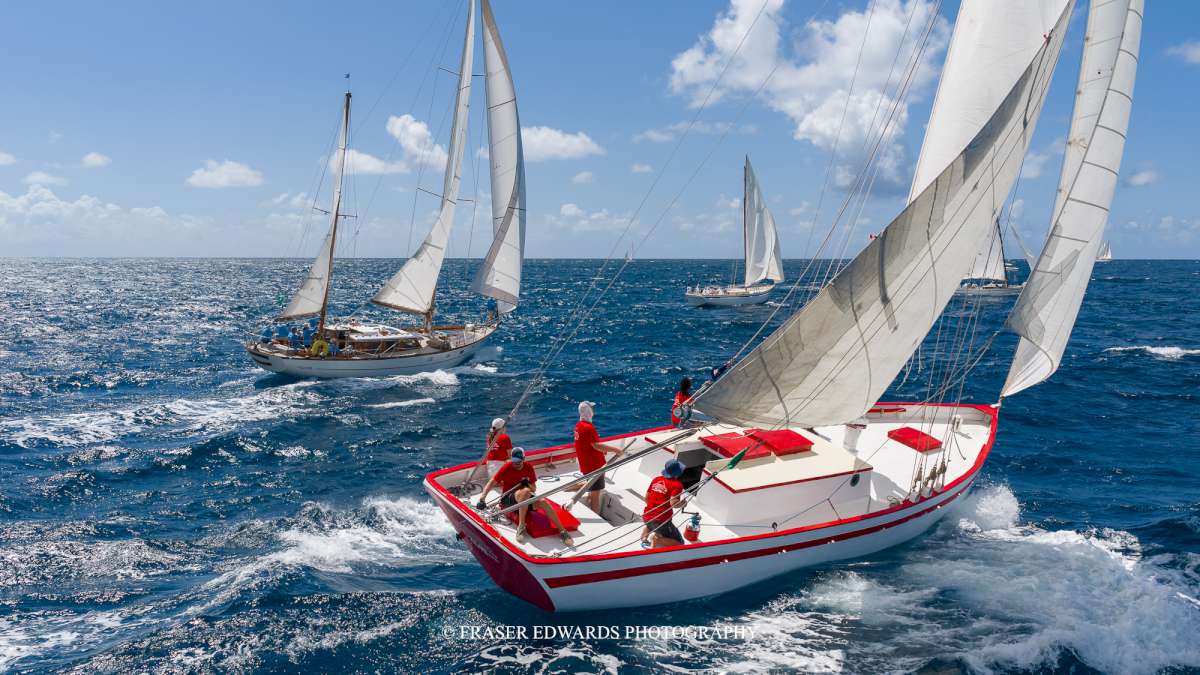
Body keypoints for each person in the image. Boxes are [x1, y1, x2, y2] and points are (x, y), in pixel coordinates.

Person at [476, 448, 573, 545]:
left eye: (519, 461)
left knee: (543, 502)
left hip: (524, 498)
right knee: (526, 491)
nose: (516, 464)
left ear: (524, 459)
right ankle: (521, 526)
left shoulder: (528, 467)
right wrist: (482, 498)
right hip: (508, 500)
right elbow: (492, 482)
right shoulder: (506, 467)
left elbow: (534, 489)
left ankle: (563, 531)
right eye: (514, 461)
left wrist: (528, 484)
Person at [574, 401, 624, 514]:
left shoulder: (579, 425)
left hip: (586, 464)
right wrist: (616, 450)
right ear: (588, 411)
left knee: (592, 487)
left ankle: (580, 489)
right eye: (592, 408)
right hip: (594, 466)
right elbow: (596, 445)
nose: (593, 410)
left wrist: (602, 451)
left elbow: (587, 444)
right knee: (596, 492)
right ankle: (596, 514)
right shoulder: (588, 428)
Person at [641, 459, 686, 549]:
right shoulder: (677, 485)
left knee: (651, 523)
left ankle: (644, 537)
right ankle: (657, 540)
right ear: (678, 473)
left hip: (646, 516)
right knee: (680, 543)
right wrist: (683, 504)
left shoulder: (656, 479)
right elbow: (674, 503)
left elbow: (646, 498)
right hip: (661, 521)